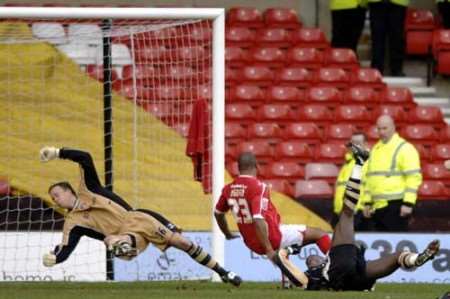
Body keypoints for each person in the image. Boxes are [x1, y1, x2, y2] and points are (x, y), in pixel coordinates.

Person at [39, 146, 242, 286]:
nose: (55, 199)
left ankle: (223, 272)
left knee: (183, 242)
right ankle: (122, 245)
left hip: (139, 219)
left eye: (56, 194)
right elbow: (65, 249)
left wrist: (58, 152)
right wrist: (54, 259)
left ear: (68, 191)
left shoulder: (89, 188)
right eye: (52, 198)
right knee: (111, 239)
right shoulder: (72, 223)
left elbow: (84, 157)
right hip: (124, 236)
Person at [304, 143, 440, 291]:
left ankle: (417, 258)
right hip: (345, 271)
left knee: (398, 256)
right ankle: (360, 163)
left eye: (312, 260)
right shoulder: (317, 273)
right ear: (316, 266)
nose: (312, 259)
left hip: (356, 278)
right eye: (311, 262)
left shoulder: (316, 273)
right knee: (347, 213)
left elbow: (295, 273)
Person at [214, 152, 331, 287]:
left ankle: (286, 283)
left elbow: (218, 213)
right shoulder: (258, 187)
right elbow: (258, 219)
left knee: (284, 248)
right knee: (319, 234)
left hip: (251, 242)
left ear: (238, 168)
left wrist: (227, 233)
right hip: (271, 237)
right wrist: (269, 249)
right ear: (256, 167)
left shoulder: (228, 189)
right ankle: (334, 267)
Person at [362, 115, 422, 231]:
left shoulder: (405, 148)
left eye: (385, 128)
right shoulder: (375, 149)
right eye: (379, 129)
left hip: (397, 205)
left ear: (393, 127)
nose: (381, 132)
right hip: (377, 206)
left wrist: (408, 203)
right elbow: (370, 178)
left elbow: (413, 177)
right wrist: (367, 202)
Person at [333, 132, 373, 231]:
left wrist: (368, 204)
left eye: (358, 143)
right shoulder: (348, 163)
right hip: (342, 212)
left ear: (366, 144)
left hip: (358, 212)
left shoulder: (370, 163)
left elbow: (372, 186)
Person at [368, 0, 409, 76]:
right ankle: (377, 68)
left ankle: (396, 68)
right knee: (377, 37)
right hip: (377, 3)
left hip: (397, 3)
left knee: (397, 37)